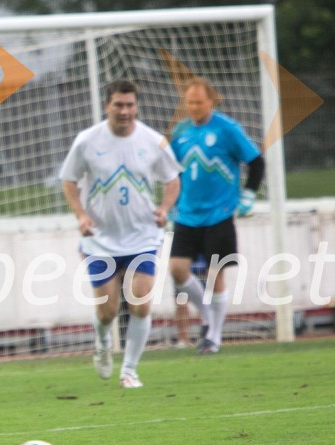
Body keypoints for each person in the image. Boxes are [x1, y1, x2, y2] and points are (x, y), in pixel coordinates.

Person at [61, 79, 180, 389]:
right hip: (100, 240)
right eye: (119, 105)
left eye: (129, 105)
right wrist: (81, 215)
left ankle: (130, 370)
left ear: (136, 107)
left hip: (143, 236)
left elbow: (172, 179)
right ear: (107, 106)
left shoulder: (153, 141)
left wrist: (165, 208)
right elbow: (69, 180)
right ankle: (102, 344)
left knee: (141, 304)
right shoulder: (87, 141)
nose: (124, 111)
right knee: (108, 310)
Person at [169, 77, 265, 354]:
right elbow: (170, 171)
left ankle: (214, 336)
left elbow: (256, 161)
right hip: (186, 215)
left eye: (199, 102)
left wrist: (247, 195)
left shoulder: (227, 129)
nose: (194, 107)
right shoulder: (181, 133)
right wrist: (169, 204)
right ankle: (209, 318)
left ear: (211, 101)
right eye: (190, 102)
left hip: (219, 213)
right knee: (177, 269)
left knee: (215, 274)